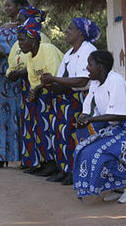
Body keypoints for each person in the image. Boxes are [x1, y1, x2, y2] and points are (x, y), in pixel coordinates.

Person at [73, 50, 126, 202]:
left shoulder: (115, 80)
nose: (87, 68)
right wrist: (83, 117)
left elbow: (120, 115)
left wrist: (91, 120)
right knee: (84, 149)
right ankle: (118, 186)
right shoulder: (95, 83)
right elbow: (88, 108)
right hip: (118, 128)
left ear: (100, 67)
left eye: (90, 64)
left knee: (99, 152)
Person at [40, 18, 100, 185]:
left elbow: (82, 81)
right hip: (68, 99)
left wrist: (54, 79)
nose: (66, 31)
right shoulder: (69, 53)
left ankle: (75, 171)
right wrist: (49, 83)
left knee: (74, 135)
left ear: (80, 32)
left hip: (83, 98)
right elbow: (62, 81)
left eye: (70, 28)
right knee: (61, 134)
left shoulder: (88, 50)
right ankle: (64, 169)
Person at [16, 11, 64, 177]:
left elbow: (54, 75)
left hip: (59, 92)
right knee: (39, 126)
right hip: (45, 92)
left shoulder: (47, 49)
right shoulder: (30, 56)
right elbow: (34, 80)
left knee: (51, 127)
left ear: (34, 39)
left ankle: (56, 164)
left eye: (22, 40)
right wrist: (34, 92)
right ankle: (46, 161)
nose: (20, 44)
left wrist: (36, 90)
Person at [6, 6, 51, 172]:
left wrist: (19, 73)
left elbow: (39, 62)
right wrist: (12, 72)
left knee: (42, 124)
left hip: (42, 87)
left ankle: (45, 162)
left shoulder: (41, 39)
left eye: (22, 18)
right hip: (28, 86)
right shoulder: (21, 38)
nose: (19, 22)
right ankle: (33, 161)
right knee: (30, 125)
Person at [0, 0, 29, 168]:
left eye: (9, 5)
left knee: (19, 114)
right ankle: (1, 154)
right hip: (1, 75)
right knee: (2, 115)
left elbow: (28, 50)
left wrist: (6, 55)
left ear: (19, 6)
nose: (6, 8)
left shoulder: (27, 27)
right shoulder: (1, 28)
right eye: (5, 5)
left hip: (18, 76)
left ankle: (23, 156)